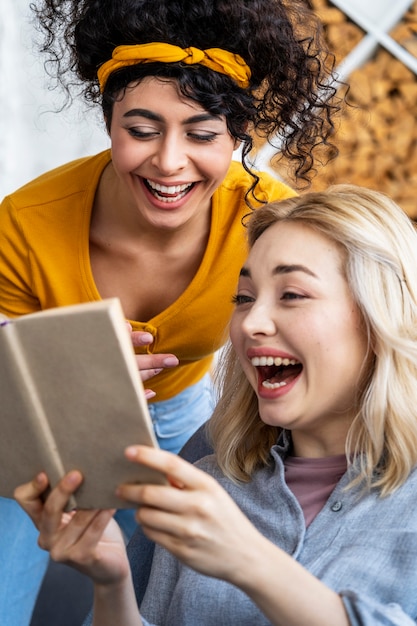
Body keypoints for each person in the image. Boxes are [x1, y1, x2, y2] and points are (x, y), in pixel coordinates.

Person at [0, 1, 339, 622]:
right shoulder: (25, 223)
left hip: (184, 417)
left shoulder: (271, 226)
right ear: (109, 125)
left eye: (203, 134)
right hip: (45, 417)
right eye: (143, 129)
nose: (170, 161)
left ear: (237, 139)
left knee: (170, 596)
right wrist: (70, 369)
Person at [16, 184, 417, 625]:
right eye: (243, 299)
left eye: (292, 294)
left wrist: (249, 561)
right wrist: (113, 585)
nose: (252, 324)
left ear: (381, 313)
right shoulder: (210, 477)